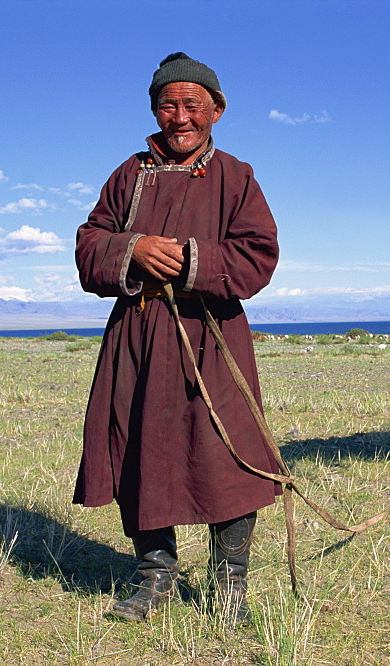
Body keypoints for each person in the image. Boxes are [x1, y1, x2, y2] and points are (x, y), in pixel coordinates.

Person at [73, 52, 281, 624]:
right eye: (169, 105)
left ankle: (229, 582)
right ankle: (155, 576)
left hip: (210, 334)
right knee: (138, 449)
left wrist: (191, 260)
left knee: (228, 453)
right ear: (154, 111)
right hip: (137, 333)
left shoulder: (236, 176)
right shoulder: (128, 174)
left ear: (217, 110)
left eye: (193, 105)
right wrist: (131, 249)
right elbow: (90, 244)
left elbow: (259, 255)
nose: (180, 117)